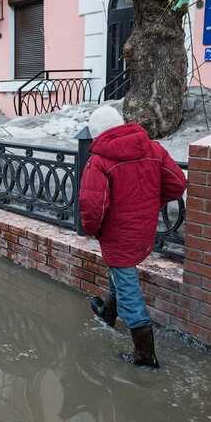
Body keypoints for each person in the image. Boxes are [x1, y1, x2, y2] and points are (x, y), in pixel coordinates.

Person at [79, 106, 187, 368]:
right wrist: (150, 203)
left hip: (118, 233)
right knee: (119, 272)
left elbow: (92, 206)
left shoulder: (100, 160)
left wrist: (93, 229)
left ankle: (144, 355)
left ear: (96, 133)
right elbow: (177, 183)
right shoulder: (152, 149)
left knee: (128, 289)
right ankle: (107, 312)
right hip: (144, 231)